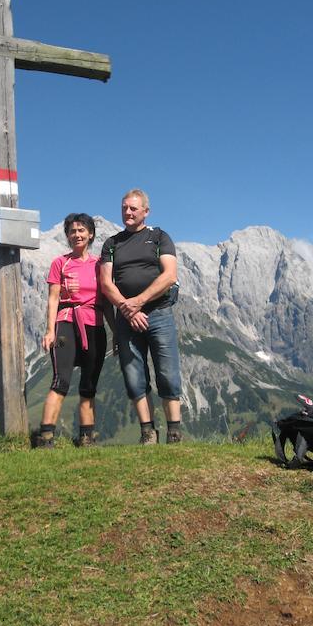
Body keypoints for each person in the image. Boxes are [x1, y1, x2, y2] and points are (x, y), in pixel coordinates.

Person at [100, 189, 182, 444]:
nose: (128, 212)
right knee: (134, 375)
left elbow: (169, 276)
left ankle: (174, 432)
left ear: (146, 211)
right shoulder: (112, 243)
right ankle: (148, 432)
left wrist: (138, 302)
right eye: (124, 207)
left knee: (167, 373)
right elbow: (106, 283)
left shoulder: (159, 237)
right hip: (127, 318)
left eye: (133, 208)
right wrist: (127, 308)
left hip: (158, 312)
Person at [36, 213, 114, 448]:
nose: (77, 235)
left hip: (95, 324)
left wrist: (116, 331)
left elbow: (107, 300)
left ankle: (86, 438)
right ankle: (46, 437)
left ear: (90, 234)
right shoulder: (60, 263)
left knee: (89, 384)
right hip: (65, 323)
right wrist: (49, 330)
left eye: (82, 230)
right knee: (61, 379)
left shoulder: (100, 265)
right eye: (72, 231)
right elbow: (52, 299)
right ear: (68, 236)